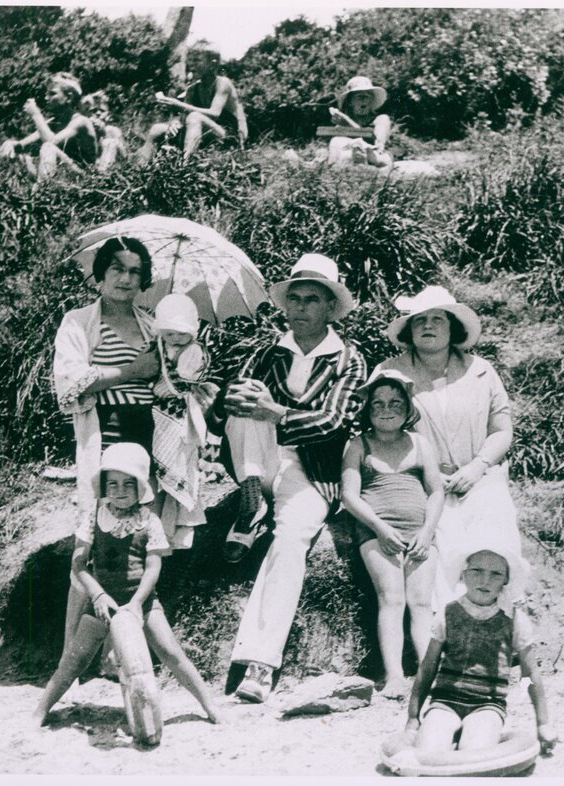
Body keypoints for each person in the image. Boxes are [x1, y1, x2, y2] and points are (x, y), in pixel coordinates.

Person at [207, 253, 367, 703]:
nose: (298, 308)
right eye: (293, 298)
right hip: (258, 458)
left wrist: (272, 410)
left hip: (314, 470)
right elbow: (221, 418)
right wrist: (229, 398)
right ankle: (252, 498)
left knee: (292, 539)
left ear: (331, 307)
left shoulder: (349, 359)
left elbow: (334, 423)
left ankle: (259, 663)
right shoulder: (266, 351)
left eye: (310, 300)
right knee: (246, 405)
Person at [33, 442, 221, 726]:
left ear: (140, 487)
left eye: (127, 484)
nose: (119, 491)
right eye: (112, 484)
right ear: (104, 486)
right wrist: (96, 595)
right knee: (73, 659)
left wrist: (136, 604)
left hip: (141, 602)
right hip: (103, 604)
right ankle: (40, 711)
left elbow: (153, 567)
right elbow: (79, 564)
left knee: (171, 653)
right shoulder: (94, 517)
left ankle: (210, 705)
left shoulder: (150, 521)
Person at [375, 286, 523, 609]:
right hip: (421, 487)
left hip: (481, 480)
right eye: (420, 320)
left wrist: (477, 466)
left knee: (495, 543)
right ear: (409, 330)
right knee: (440, 563)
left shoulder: (481, 371)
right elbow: (377, 437)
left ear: (453, 326)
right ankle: (446, 648)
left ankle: (501, 634)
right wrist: (425, 474)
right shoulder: (389, 373)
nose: (428, 326)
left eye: (437, 319)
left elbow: (502, 431)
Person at [53, 236, 161, 660]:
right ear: (99, 275)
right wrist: (131, 370)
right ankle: (71, 655)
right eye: (117, 269)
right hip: (107, 430)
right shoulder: (79, 321)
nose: (126, 279)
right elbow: (69, 382)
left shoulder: (151, 324)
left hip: (148, 432)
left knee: (135, 541)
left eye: (136, 272)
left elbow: (164, 382)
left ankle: (120, 656)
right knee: (92, 541)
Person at [341, 369, 444, 699]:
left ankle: (430, 675)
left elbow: (437, 491)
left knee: (421, 601)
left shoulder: (420, 443)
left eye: (395, 403)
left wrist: (428, 532)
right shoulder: (359, 444)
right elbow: (349, 495)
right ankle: (395, 676)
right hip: (377, 530)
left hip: (419, 532)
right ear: (368, 409)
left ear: (408, 406)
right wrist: (380, 529)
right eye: (379, 404)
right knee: (392, 599)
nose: (387, 409)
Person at [405, 545, 556, 753]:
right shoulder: (447, 614)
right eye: (477, 571)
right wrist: (413, 717)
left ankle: (471, 735)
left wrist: (543, 723)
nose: (485, 580)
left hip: (487, 705)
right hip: (445, 702)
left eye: (496, 574)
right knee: (429, 751)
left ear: (505, 580)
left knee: (475, 753)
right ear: (463, 575)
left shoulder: (514, 620)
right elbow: (427, 668)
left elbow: (529, 674)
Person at [149, 292, 219, 552]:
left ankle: (180, 529)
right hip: (159, 413)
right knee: (162, 471)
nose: (175, 338)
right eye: (169, 333)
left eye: (181, 332)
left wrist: (176, 358)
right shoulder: (157, 346)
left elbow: (187, 375)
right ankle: (163, 531)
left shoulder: (196, 351)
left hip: (182, 415)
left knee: (182, 467)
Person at [0, 72, 98, 184]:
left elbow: (52, 142)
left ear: (69, 97)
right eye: (47, 94)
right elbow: (22, 145)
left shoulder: (80, 121)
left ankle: (43, 192)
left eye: (52, 94)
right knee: (8, 144)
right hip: (63, 173)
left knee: (48, 147)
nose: (46, 98)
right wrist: (13, 145)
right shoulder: (52, 122)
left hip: (81, 178)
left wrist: (36, 114)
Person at [138, 47, 248, 163]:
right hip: (205, 132)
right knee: (157, 128)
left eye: (197, 60)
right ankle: (139, 168)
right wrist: (174, 123)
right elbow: (184, 119)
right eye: (190, 60)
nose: (192, 64)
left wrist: (179, 105)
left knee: (195, 117)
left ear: (212, 64)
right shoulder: (192, 89)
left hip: (228, 136)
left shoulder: (222, 83)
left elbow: (215, 113)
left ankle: (185, 165)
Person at [327, 75, 392, 169]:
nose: (364, 100)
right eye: (359, 97)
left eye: (367, 96)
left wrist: (348, 123)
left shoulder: (381, 119)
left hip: (377, 158)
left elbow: (378, 145)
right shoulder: (342, 122)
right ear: (350, 102)